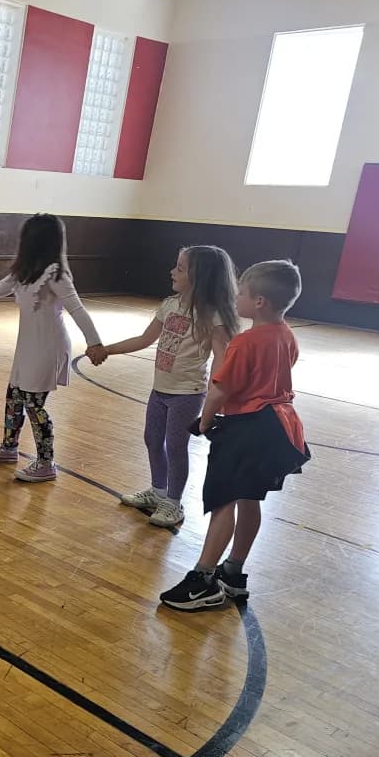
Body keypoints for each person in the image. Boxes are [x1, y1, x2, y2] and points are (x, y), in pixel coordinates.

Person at [159, 260, 310, 611]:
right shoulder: (287, 335)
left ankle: (203, 578)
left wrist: (205, 422)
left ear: (259, 302)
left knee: (222, 502)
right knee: (249, 499)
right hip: (279, 428)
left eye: (241, 292)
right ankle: (233, 572)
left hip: (246, 429)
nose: (236, 297)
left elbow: (219, 392)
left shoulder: (244, 343)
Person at [98, 246, 239, 526]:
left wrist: (217, 397)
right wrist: (106, 350)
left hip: (187, 394)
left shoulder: (213, 316)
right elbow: (143, 339)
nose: (172, 272)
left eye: (180, 268)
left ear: (200, 277)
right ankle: (157, 491)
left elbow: (222, 359)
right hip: (159, 389)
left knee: (176, 446)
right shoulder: (169, 305)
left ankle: (173, 503)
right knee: (152, 439)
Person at [0, 214, 104, 482]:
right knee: (14, 396)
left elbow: (77, 308)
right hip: (28, 346)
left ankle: (46, 462)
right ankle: (9, 447)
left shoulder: (56, 274)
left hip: (48, 347)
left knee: (34, 404)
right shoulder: (25, 271)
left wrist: (95, 342)